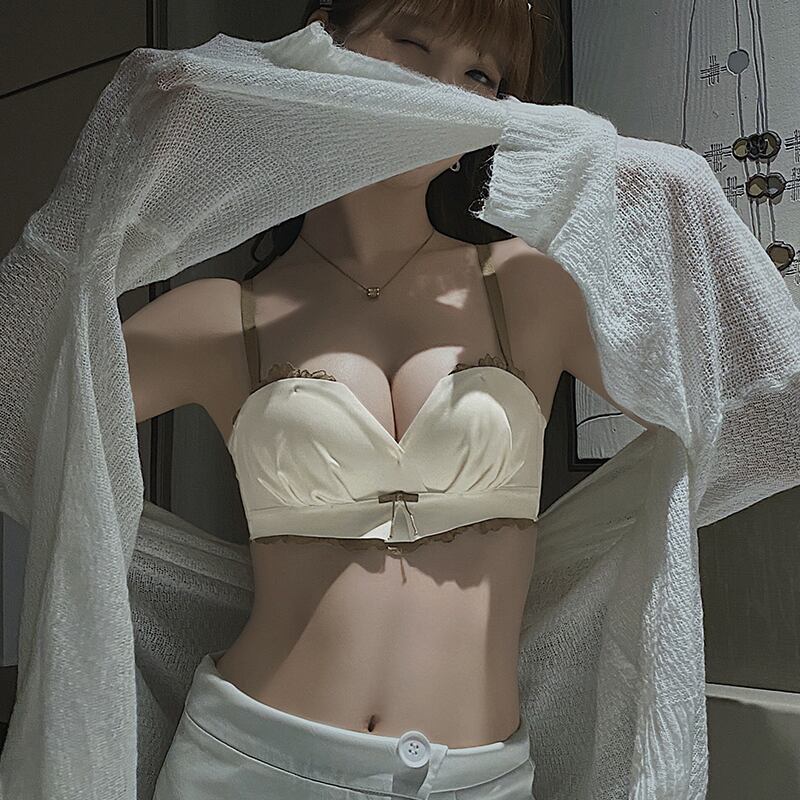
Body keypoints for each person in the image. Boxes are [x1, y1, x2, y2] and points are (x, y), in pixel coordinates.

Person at [123, 1, 650, 797]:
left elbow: (757, 422)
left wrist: (666, 194)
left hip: (475, 779)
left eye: (479, 75)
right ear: (322, 43)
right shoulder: (220, 319)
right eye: (412, 43)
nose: (440, 89)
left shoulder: (530, 289)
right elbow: (25, 418)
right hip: (247, 763)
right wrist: (121, 169)